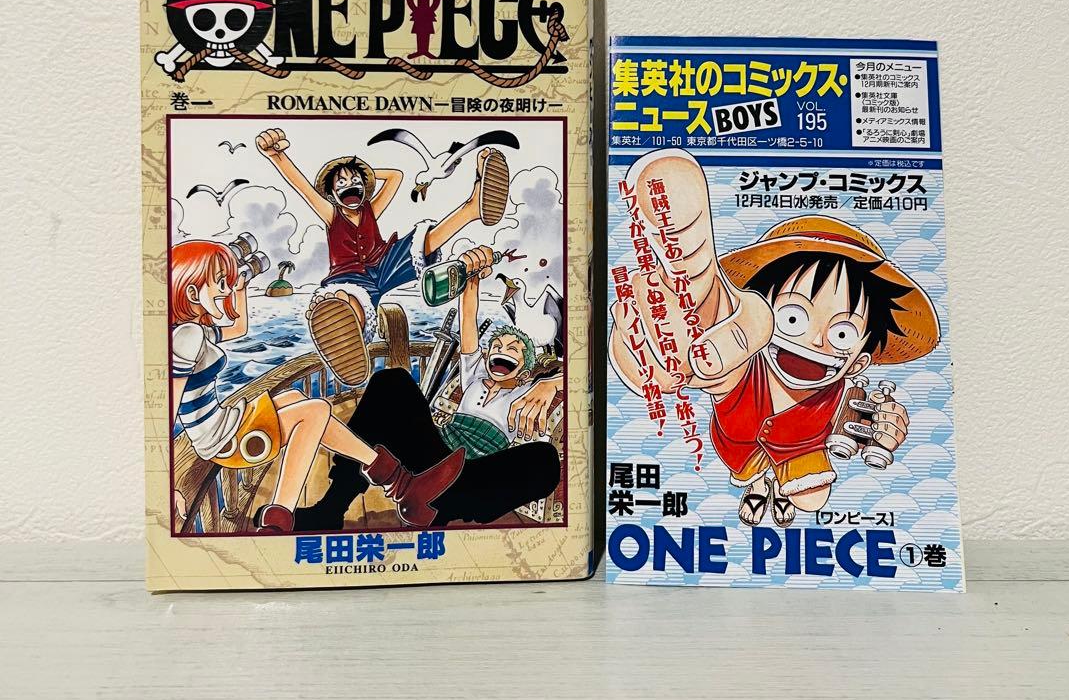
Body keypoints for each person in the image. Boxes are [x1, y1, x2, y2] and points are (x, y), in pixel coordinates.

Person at [609, 149, 939, 528]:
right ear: (762, 315)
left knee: (812, 497)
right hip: (741, 445)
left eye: (842, 333)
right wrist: (659, 349)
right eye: (793, 317)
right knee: (751, 470)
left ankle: (781, 488)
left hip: (802, 451)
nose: (817, 341)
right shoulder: (742, 366)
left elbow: (860, 427)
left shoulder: (845, 395)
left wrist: (885, 430)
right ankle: (759, 486)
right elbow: (707, 364)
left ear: (859, 361)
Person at [170, 239, 465, 534]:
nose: (225, 290)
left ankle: (402, 485)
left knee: (296, 397)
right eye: (220, 283)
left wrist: (241, 286)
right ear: (192, 292)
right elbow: (169, 405)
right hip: (222, 438)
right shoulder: (187, 336)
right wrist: (168, 483)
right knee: (315, 411)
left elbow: (238, 329)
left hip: (227, 422)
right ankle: (277, 521)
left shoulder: (195, 331)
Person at [295, 245, 562, 531]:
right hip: (433, 459)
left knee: (544, 460)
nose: (501, 350)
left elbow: (580, 375)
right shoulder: (474, 375)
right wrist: (472, 276)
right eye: (496, 346)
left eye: (513, 349)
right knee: (392, 381)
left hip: (473, 476)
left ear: (525, 370)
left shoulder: (525, 392)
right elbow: (468, 317)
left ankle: (439, 506)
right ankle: (332, 507)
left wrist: (549, 383)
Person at [256, 128, 509, 387]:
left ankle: (472, 208)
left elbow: (396, 176)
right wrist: (277, 156)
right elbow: (302, 187)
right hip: (351, 276)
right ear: (331, 194)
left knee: (420, 243)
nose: (349, 186)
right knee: (350, 300)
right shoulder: (332, 214)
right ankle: (343, 332)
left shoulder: (370, 209)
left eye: (355, 182)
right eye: (341, 183)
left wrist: (364, 172)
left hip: (384, 264)